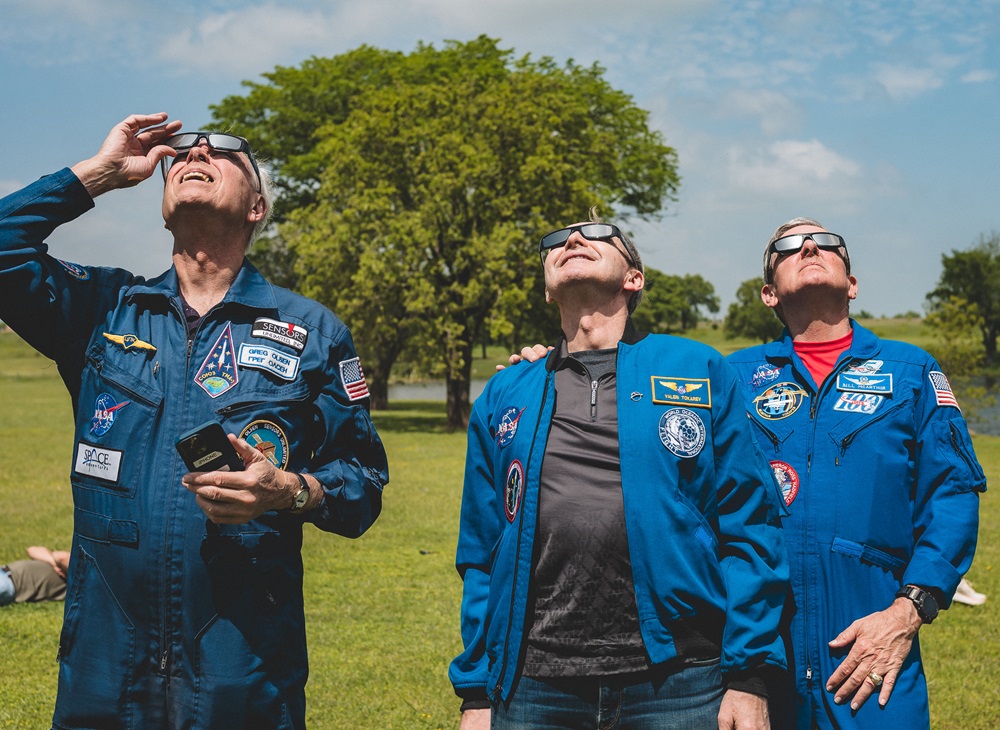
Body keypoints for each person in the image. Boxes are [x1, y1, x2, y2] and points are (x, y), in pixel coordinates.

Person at [0, 114, 389, 728]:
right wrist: (94, 177)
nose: (197, 149)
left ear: (256, 207)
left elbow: (363, 482)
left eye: (226, 150)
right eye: (182, 150)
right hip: (104, 665)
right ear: (160, 204)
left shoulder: (315, 333)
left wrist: (290, 490)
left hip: (243, 664)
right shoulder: (104, 311)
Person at [449, 217, 790, 729]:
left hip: (681, 677)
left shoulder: (697, 368)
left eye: (598, 235)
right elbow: (480, 552)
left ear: (634, 278)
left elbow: (751, 525)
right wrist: (477, 692)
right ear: (546, 290)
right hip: (533, 681)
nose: (571, 241)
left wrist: (750, 676)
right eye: (556, 242)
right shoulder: (506, 392)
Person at [725, 218, 985, 728]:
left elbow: (953, 496)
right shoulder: (732, 378)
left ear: (853, 284)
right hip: (759, 657)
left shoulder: (911, 371)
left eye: (825, 242)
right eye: (786, 246)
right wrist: (544, 368)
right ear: (768, 293)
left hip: (875, 654)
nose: (807, 246)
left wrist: (907, 613)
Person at [0, 545, 70, 605]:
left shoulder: (77, 574)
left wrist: (55, 559)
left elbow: (62, 557)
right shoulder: (62, 564)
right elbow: (32, 550)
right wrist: (53, 563)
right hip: (4, 572)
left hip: (10, 583)